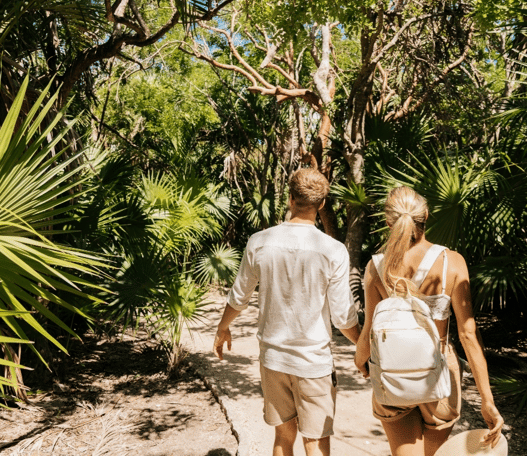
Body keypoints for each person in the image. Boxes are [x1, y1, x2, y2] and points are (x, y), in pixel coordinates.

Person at [213, 168, 361, 456]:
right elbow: (343, 317)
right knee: (315, 441)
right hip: (313, 362)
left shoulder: (259, 241)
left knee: (283, 436)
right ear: (321, 205)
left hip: (273, 359)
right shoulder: (333, 250)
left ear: (290, 198)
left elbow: (238, 296)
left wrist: (222, 328)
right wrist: (363, 348)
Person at [354, 186, 504, 456]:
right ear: (426, 213)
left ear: (389, 222)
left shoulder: (376, 266)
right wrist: (487, 400)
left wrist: (363, 364)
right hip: (439, 375)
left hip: (391, 371)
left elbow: (369, 331)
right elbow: (469, 334)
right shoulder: (452, 262)